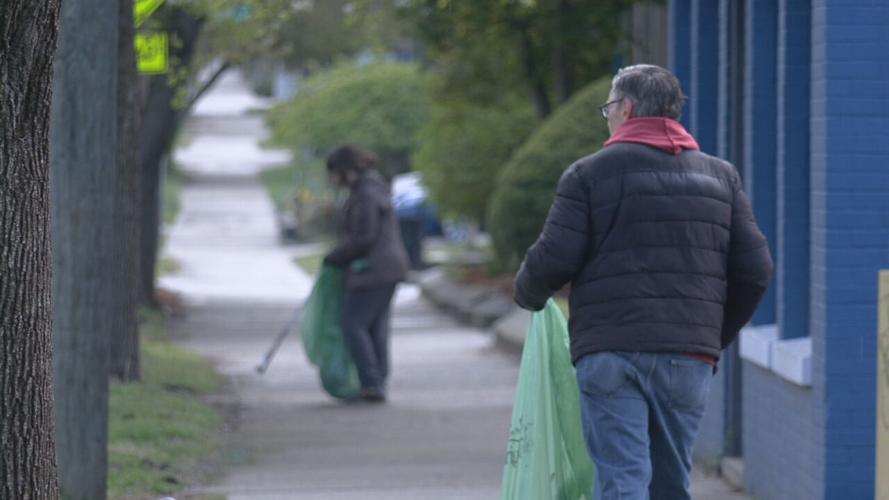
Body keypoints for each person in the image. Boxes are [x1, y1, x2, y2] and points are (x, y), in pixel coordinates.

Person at [513, 64, 773, 499]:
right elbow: (756, 270)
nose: (608, 116)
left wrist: (528, 293)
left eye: (609, 108)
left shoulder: (588, 174)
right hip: (687, 357)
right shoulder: (720, 177)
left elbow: (553, 258)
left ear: (627, 108)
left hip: (611, 352)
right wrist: (711, 336)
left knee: (622, 480)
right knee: (671, 485)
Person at [323, 145, 410, 403]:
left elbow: (365, 237)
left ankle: (372, 382)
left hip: (374, 271)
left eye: (333, 173)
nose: (332, 179)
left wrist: (336, 257)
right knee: (374, 327)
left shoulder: (366, 194)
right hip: (385, 269)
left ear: (344, 170)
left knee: (353, 324)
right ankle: (375, 383)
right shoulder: (370, 189)